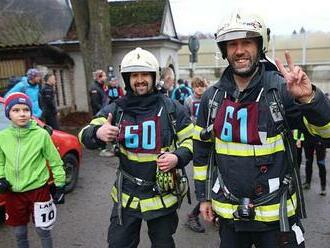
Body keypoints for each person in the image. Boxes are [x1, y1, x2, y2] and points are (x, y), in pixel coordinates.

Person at [193, 10, 330, 248]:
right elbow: (202, 153)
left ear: (261, 45)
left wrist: (310, 99)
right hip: (231, 219)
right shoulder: (211, 98)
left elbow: (325, 134)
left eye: (247, 42)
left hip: (278, 220)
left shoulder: (283, 91)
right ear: (224, 50)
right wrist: (203, 197)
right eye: (232, 44)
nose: (239, 50)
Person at [79, 47, 193, 248]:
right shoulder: (117, 108)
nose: (139, 80)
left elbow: (192, 140)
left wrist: (177, 157)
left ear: (154, 76)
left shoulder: (172, 108)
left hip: (162, 197)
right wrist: (98, 133)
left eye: (144, 74)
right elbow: (85, 133)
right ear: (127, 79)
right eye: (134, 75)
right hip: (127, 197)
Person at [0, 92, 66, 248]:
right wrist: (1, 177)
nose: (22, 114)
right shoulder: (3, 137)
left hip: (39, 191)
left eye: (26, 109)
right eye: (16, 110)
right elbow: (1, 160)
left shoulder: (41, 135)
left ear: (31, 112)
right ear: (8, 113)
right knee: (19, 233)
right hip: (13, 192)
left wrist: (60, 184)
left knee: (43, 230)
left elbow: (55, 161)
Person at [184, 76, 208, 233]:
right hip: (197, 140)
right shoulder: (188, 101)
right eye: (197, 87)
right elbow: (186, 119)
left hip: (209, 140)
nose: (200, 89)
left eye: (202, 86)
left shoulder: (208, 98)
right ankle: (193, 214)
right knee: (208, 180)